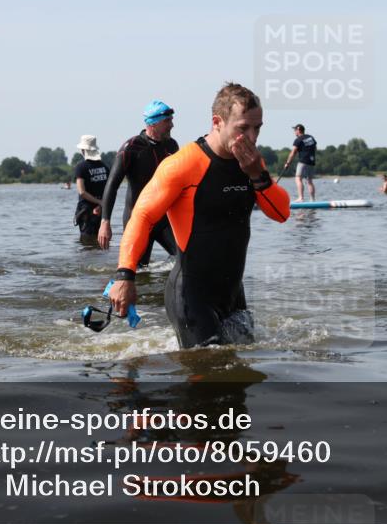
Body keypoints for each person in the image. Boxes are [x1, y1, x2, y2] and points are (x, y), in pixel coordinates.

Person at [109, 82, 290, 348]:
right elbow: (142, 216)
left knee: (240, 377)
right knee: (208, 377)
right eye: (243, 128)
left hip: (233, 293)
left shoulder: (252, 163)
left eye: (257, 128)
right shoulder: (183, 165)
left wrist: (257, 175)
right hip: (191, 295)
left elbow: (281, 213)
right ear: (218, 122)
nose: (252, 137)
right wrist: (125, 276)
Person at [98, 100, 179, 266]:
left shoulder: (172, 145)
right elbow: (112, 185)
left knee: (186, 258)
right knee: (138, 270)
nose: (172, 125)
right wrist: (105, 222)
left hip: (163, 218)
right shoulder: (131, 147)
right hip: (138, 219)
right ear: (153, 123)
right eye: (167, 121)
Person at [72, 135, 110, 241]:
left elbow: (82, 192)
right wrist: (101, 205)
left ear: (83, 150)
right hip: (102, 211)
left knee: (86, 242)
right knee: (101, 240)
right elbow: (109, 191)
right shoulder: (104, 167)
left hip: (86, 212)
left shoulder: (81, 167)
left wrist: (99, 203)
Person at [281, 124, 317, 202]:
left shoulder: (298, 140)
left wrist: (287, 163)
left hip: (303, 161)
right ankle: (313, 199)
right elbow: (314, 147)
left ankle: (301, 198)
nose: (294, 132)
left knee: (298, 178)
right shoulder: (311, 137)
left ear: (298, 130)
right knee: (309, 181)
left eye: (295, 130)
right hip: (311, 161)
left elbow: (293, 152)